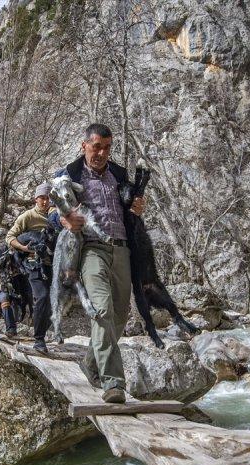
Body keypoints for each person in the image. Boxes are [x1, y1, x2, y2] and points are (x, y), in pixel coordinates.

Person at [57, 124, 146, 404]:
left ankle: (90, 363)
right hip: (91, 250)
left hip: (121, 250)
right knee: (102, 309)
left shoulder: (118, 174)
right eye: (97, 147)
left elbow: (128, 207)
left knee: (120, 316)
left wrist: (135, 209)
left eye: (107, 147)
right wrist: (64, 219)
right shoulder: (69, 174)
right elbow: (51, 211)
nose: (102, 153)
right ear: (84, 145)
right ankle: (113, 383)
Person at [6, 183, 55, 353]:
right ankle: (39, 339)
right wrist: (25, 248)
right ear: (36, 198)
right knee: (42, 296)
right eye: (42, 197)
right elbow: (10, 237)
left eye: (48, 198)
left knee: (53, 302)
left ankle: (45, 328)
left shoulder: (56, 215)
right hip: (35, 264)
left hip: (55, 263)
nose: (45, 201)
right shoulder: (27, 216)